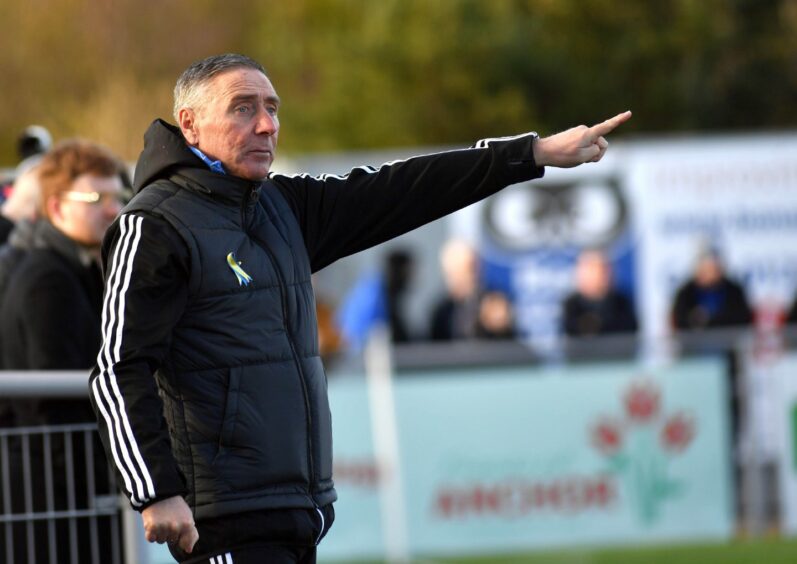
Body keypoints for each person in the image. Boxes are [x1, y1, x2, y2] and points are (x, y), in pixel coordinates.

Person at [87, 53, 631, 562]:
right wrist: (155, 491)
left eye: (272, 109)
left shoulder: (282, 208)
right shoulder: (154, 225)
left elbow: (403, 189)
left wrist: (530, 154)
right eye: (243, 108)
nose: (266, 125)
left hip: (297, 508)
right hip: (223, 516)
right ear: (190, 124)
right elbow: (118, 367)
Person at [0, 139, 124, 562]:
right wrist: (106, 485)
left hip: (64, 493)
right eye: (95, 197)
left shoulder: (75, 267)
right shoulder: (48, 280)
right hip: (54, 501)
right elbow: (52, 406)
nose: (113, 209)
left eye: (117, 197)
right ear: (55, 208)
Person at [671, 245, 753, 330]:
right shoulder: (685, 293)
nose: (712, 273)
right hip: (695, 342)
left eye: (715, 268)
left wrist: (711, 320)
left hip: (728, 341)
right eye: (708, 268)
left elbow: (744, 318)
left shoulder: (735, 291)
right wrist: (694, 319)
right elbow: (680, 321)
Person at [561, 249, 637, 337]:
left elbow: (628, 334)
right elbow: (572, 336)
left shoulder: (622, 302)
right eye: (592, 269)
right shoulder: (572, 305)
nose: (600, 275)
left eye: (604, 270)